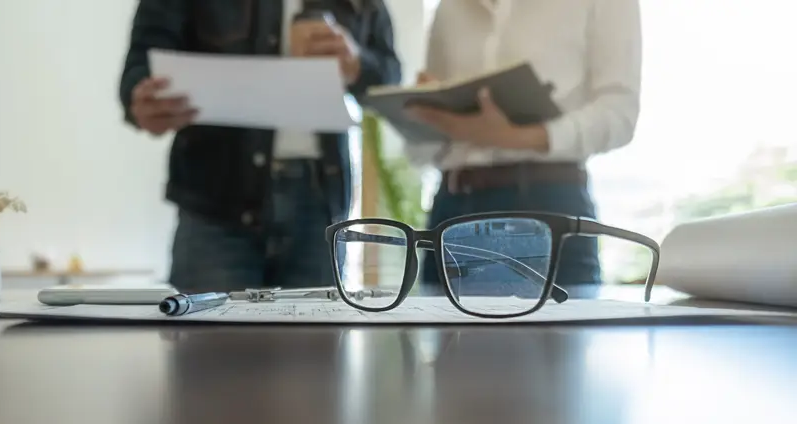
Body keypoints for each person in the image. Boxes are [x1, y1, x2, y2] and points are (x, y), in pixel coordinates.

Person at [119, 0, 403, 293]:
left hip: (319, 205)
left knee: (313, 336)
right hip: (216, 200)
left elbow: (391, 76)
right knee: (208, 336)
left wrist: (357, 63)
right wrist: (142, 101)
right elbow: (141, 66)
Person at [405, 0, 642, 287]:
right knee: (440, 331)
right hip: (452, 206)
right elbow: (427, 143)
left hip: (547, 203)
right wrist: (424, 113)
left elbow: (618, 115)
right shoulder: (450, 7)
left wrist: (511, 136)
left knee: (556, 332)